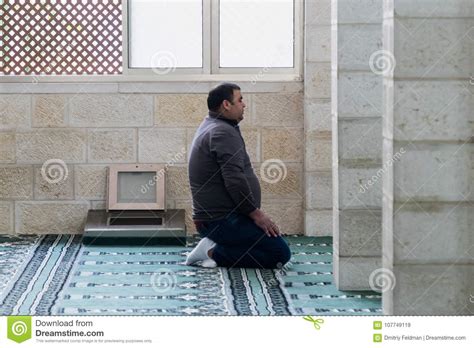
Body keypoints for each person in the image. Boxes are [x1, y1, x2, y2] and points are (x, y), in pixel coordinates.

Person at [185, 82, 291, 269]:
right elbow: (234, 180)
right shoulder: (221, 132)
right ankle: (212, 251)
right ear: (226, 104)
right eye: (240, 100)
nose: (244, 104)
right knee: (279, 253)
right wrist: (256, 214)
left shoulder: (215, 125)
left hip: (221, 218)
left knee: (270, 243)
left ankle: (217, 246)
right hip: (220, 221)